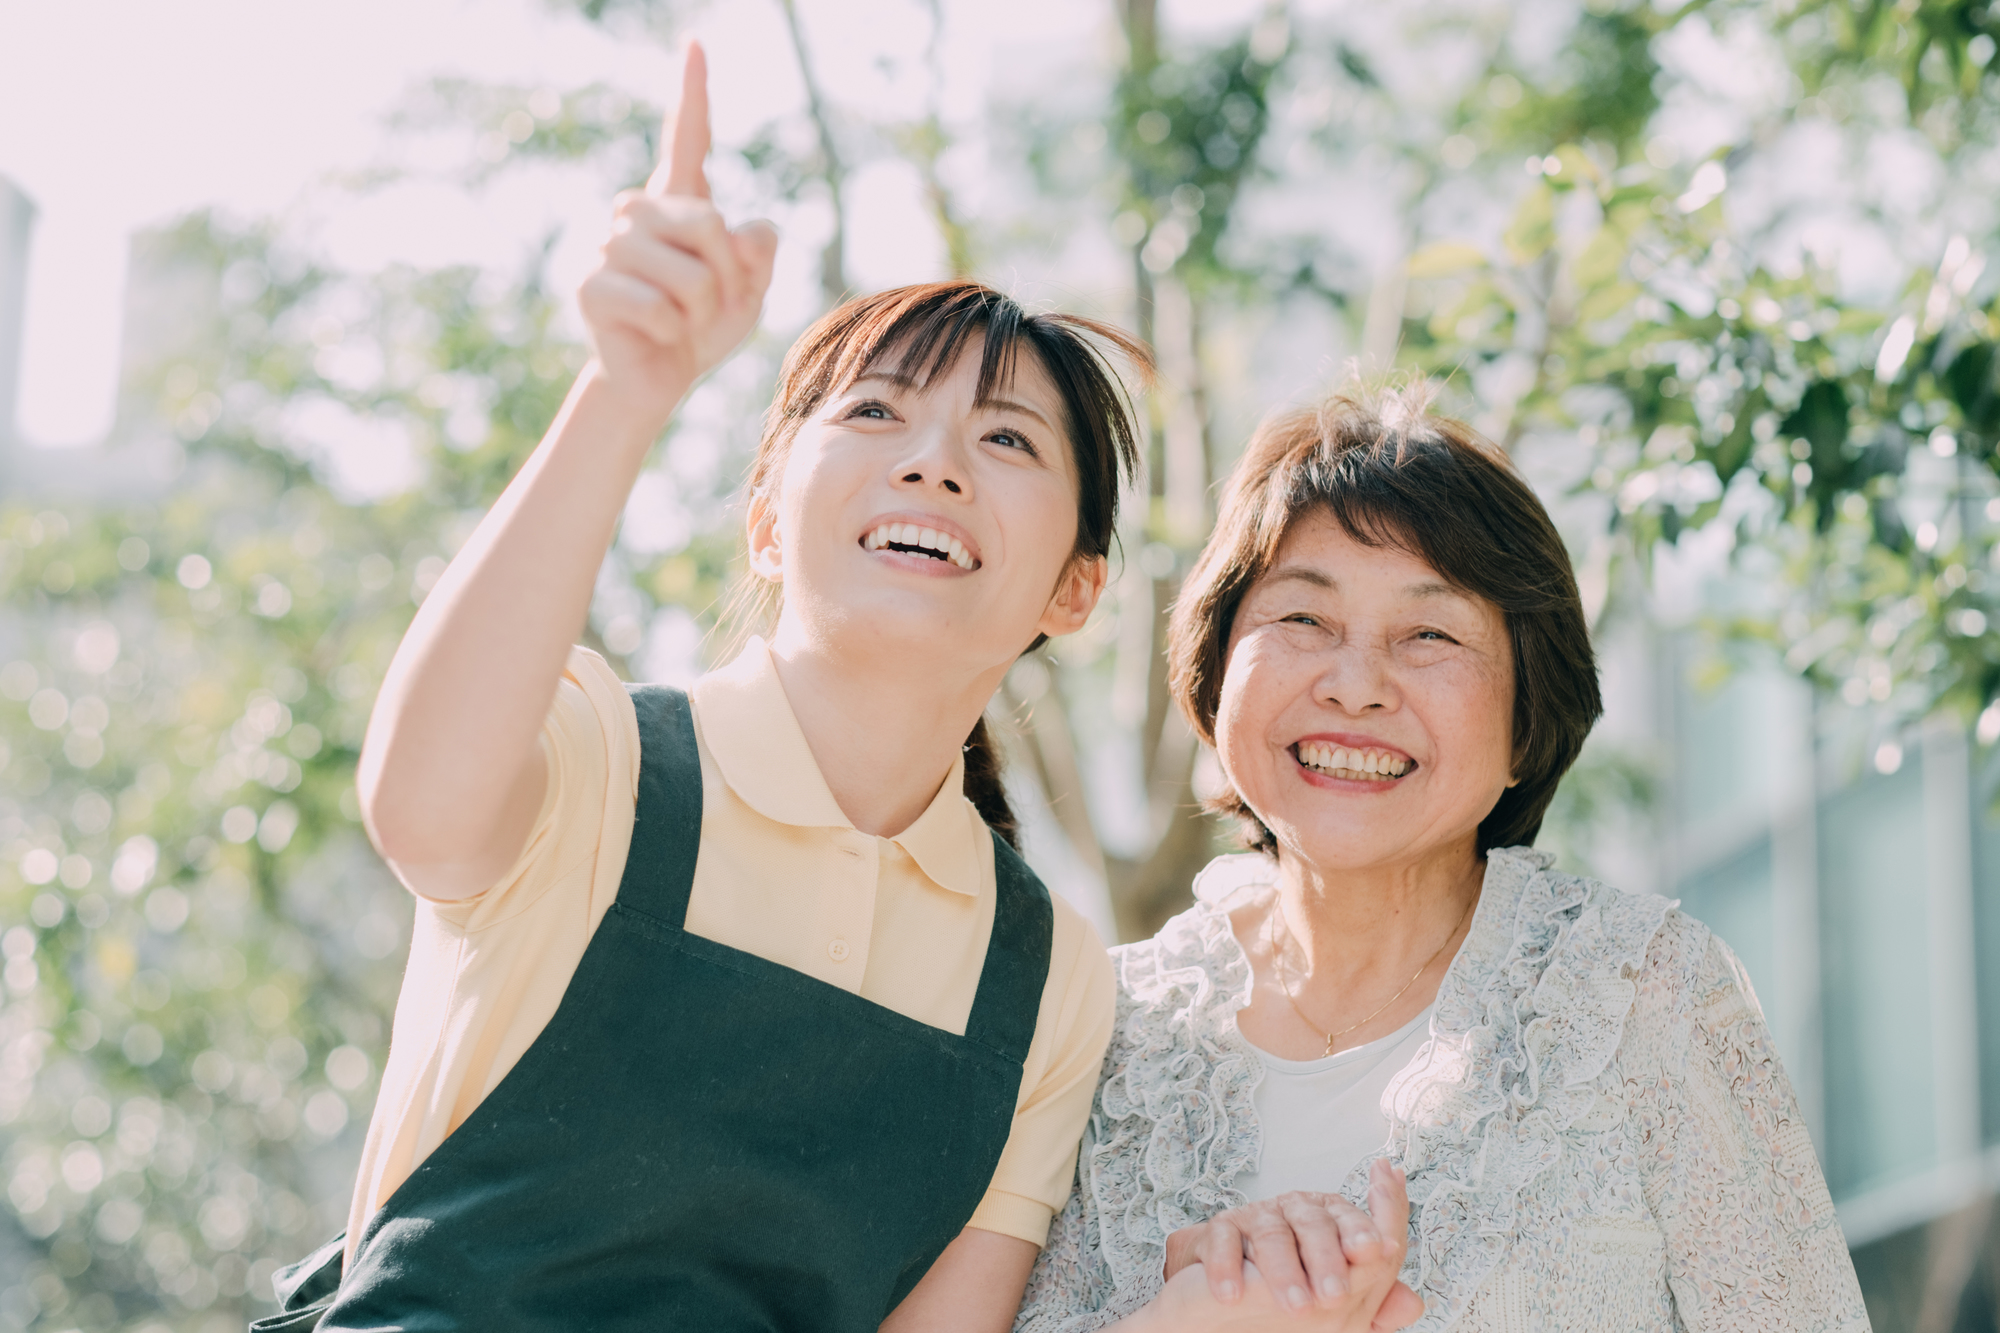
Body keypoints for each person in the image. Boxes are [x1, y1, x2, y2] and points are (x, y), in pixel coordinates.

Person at [252, 43, 1415, 1333]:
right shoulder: (593, 758)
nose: (932, 463)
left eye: (1007, 440)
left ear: (1072, 592)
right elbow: (417, 803)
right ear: (764, 517)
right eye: (874, 414)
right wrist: (626, 384)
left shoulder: (1043, 978)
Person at [1014, 385, 1872, 1332]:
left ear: (1525, 720)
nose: (1355, 685)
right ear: (1217, 672)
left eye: (1430, 633)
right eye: (1303, 618)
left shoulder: (1641, 995)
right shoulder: (1100, 1030)